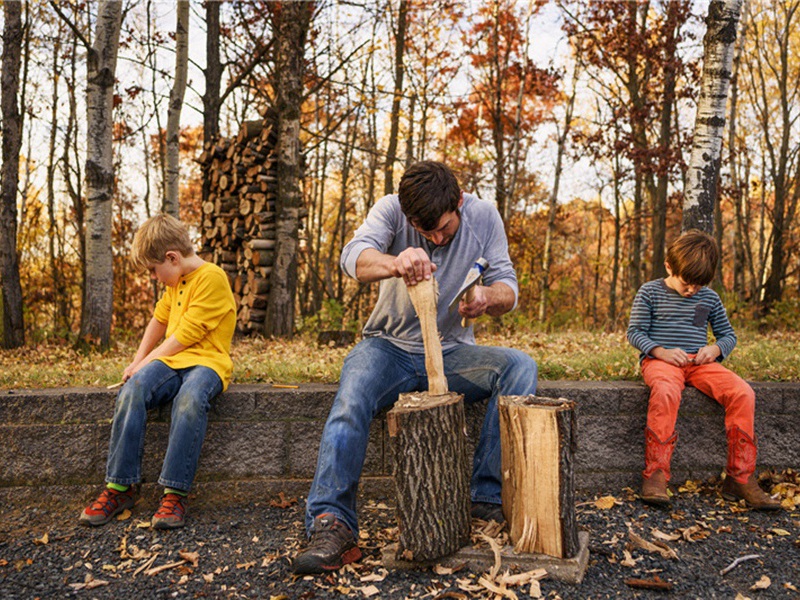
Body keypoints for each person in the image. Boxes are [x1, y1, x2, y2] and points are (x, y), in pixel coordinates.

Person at [292, 160, 538, 574]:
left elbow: (509, 288)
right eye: (425, 232)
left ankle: (485, 499)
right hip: (388, 348)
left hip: (452, 352)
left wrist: (486, 298)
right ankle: (331, 521)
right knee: (352, 397)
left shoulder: (484, 215)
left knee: (520, 367)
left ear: (458, 201)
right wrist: (396, 261)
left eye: (443, 228)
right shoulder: (390, 209)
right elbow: (352, 257)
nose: (436, 238)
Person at [79, 213, 237, 529]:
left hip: (207, 362)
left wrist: (147, 361)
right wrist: (137, 363)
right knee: (133, 389)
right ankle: (120, 487)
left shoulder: (212, 278)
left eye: (153, 269)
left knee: (189, 400)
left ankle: (174, 493)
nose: (153, 276)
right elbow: (159, 321)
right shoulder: (175, 283)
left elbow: (184, 337)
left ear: (172, 258)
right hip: (171, 362)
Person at [627, 230, 779, 510]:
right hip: (661, 362)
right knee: (666, 391)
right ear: (669, 266)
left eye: (698, 285)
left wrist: (716, 350)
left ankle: (740, 477)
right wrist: (660, 351)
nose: (692, 290)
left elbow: (728, 335)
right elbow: (635, 332)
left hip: (699, 363)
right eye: (687, 283)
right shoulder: (649, 292)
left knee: (743, 392)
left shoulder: (708, 298)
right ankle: (656, 474)